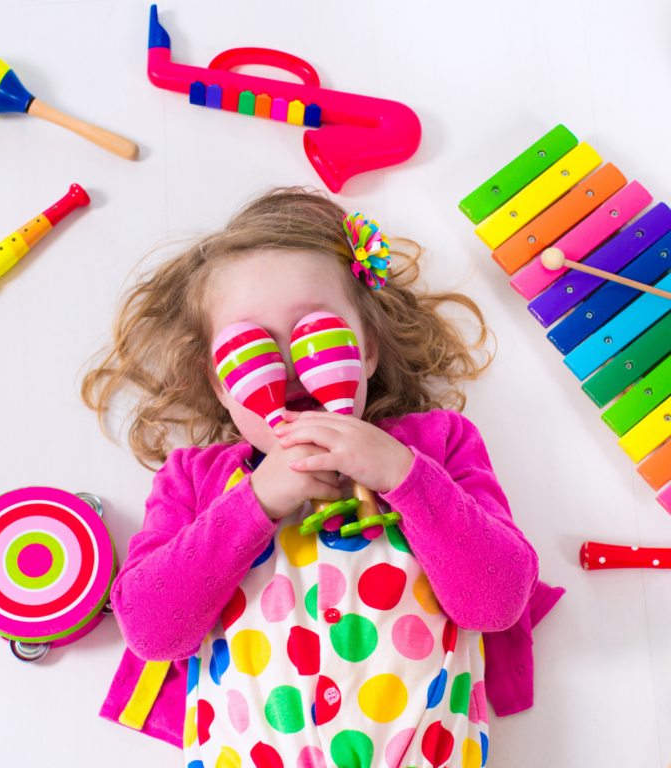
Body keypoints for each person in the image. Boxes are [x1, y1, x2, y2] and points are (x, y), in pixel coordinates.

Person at [83, 188, 544, 767]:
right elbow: (151, 631)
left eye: (313, 330)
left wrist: (403, 475)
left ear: (367, 348)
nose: (287, 363)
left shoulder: (437, 445)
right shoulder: (195, 480)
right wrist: (255, 500)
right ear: (223, 384)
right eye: (252, 344)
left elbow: (498, 602)